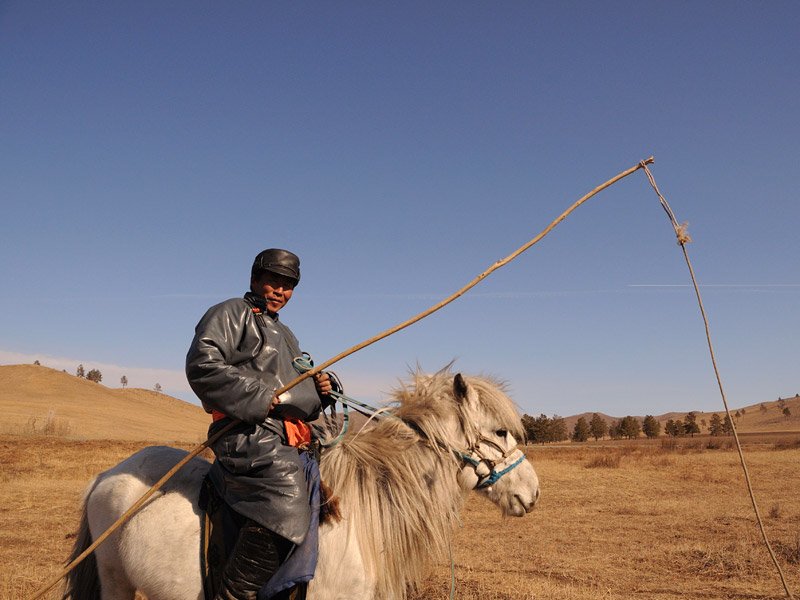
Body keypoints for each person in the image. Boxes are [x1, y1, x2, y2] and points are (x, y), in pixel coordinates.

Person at [186, 248, 333, 600]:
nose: (280, 291)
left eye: (288, 285)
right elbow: (202, 366)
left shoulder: (286, 334)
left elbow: (297, 397)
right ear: (255, 279)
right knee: (287, 498)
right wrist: (260, 396)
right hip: (245, 434)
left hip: (286, 435)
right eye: (274, 281)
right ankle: (234, 594)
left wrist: (321, 390)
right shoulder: (230, 313)